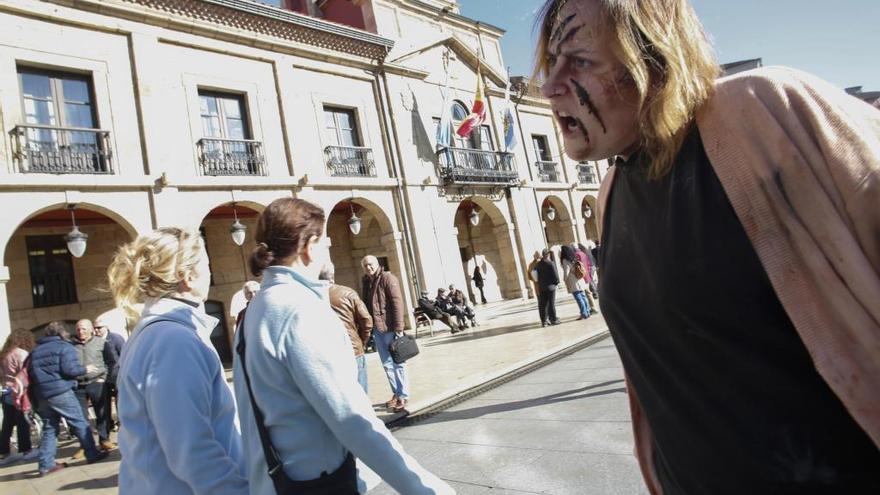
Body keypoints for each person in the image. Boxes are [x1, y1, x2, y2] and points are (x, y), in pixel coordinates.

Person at [536, 0, 880, 493]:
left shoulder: (763, 109)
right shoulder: (611, 191)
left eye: (581, 62)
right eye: (552, 64)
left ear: (656, 60)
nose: (550, 87)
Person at [235, 198, 452, 495]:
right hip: (317, 482)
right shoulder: (300, 310)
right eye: (325, 241)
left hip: (274, 482)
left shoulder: (254, 310)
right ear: (308, 246)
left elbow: (249, 415)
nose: (327, 248)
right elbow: (352, 419)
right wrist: (426, 490)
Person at [108, 227, 248, 494]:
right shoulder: (173, 340)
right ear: (187, 277)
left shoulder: (162, 333)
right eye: (206, 264)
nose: (210, 272)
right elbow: (192, 450)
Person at [28, 321, 108, 476]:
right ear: (61, 333)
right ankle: (92, 453)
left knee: (49, 428)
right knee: (79, 422)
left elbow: (30, 372)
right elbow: (70, 370)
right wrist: (86, 369)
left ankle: (46, 464)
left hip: (42, 394)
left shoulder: (35, 351)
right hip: (60, 392)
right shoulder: (64, 347)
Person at [361, 255, 409, 412]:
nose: (368, 267)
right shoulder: (366, 281)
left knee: (398, 363)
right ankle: (396, 393)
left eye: (371, 264)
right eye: (366, 265)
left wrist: (399, 327)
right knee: (387, 364)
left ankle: (403, 396)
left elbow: (397, 302)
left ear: (377, 264)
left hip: (390, 328)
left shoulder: (388, 278)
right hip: (378, 329)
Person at [319, 262, 373, 393]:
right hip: (354, 350)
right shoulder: (347, 293)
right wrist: (362, 341)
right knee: (361, 394)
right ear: (332, 275)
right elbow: (367, 320)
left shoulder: (311, 297)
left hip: (328, 353)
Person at [71, 319, 114, 455]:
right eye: (78, 329)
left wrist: (105, 378)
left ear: (91, 330)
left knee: (102, 412)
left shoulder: (101, 343)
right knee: (81, 417)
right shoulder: (70, 345)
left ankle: (104, 439)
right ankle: (85, 445)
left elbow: (111, 362)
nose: (80, 332)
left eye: (83, 329)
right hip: (78, 385)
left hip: (97, 381)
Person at [0, 328, 38, 465]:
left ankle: (4, 453)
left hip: (5, 392)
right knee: (23, 421)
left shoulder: (4, 355)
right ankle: (26, 450)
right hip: (18, 392)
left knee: (7, 424)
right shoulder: (21, 354)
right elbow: (26, 372)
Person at [92, 318, 123, 437]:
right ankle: (108, 425)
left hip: (116, 375)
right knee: (104, 404)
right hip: (102, 377)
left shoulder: (115, 338)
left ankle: (122, 423)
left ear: (106, 327)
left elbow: (123, 354)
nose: (96, 330)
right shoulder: (94, 341)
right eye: (95, 328)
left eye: (99, 327)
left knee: (119, 401)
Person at [560, 245, 591, 320]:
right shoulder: (574, 257)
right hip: (579, 279)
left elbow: (566, 271)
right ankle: (587, 311)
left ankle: (583, 313)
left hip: (573, 280)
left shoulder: (565, 260)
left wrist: (564, 279)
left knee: (578, 297)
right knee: (583, 296)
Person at [535, 249, 560, 327]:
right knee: (551, 303)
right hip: (551, 287)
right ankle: (553, 319)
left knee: (543, 304)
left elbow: (535, 275)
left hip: (542, 287)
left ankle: (544, 321)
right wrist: (556, 283)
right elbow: (556, 275)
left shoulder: (538, 264)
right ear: (548, 255)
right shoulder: (550, 263)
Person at [572, 242, 599, 313]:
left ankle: (590, 309)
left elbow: (578, 267)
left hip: (582, 276)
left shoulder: (576, 255)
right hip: (586, 274)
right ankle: (592, 307)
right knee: (588, 292)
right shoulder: (583, 253)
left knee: (586, 293)